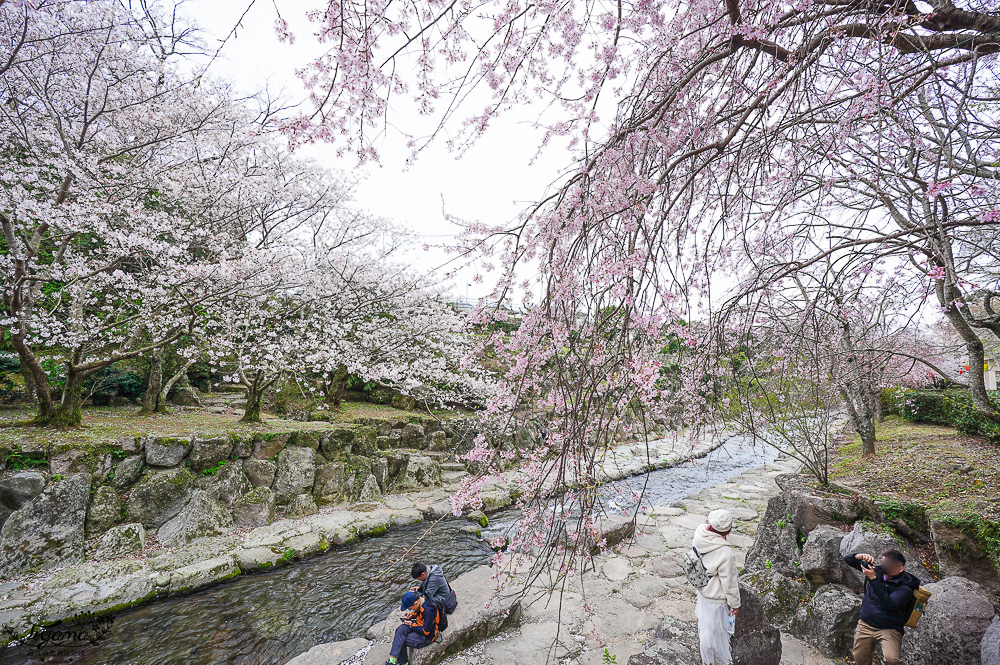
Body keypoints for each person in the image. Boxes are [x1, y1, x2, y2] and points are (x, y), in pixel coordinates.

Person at [842, 549, 920, 665]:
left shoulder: (906, 588)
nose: (884, 566)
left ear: (900, 569)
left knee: (892, 659)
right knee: (859, 656)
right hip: (866, 624)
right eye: (883, 562)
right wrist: (859, 556)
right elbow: (848, 560)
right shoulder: (877, 571)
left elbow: (890, 604)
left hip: (889, 628)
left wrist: (873, 579)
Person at [691, 509, 741, 665]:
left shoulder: (700, 534)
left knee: (705, 626)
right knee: (716, 633)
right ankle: (714, 660)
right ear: (728, 530)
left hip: (702, 588)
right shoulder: (725, 552)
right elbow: (730, 583)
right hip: (715, 596)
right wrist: (735, 604)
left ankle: (706, 659)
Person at [385, 591, 440, 665]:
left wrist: (411, 625)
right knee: (400, 629)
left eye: (410, 607)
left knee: (402, 640)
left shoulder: (429, 610)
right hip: (418, 625)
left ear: (415, 603)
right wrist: (412, 615)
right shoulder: (423, 600)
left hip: (426, 636)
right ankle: (392, 659)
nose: (410, 609)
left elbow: (425, 631)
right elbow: (420, 612)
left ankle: (403, 663)